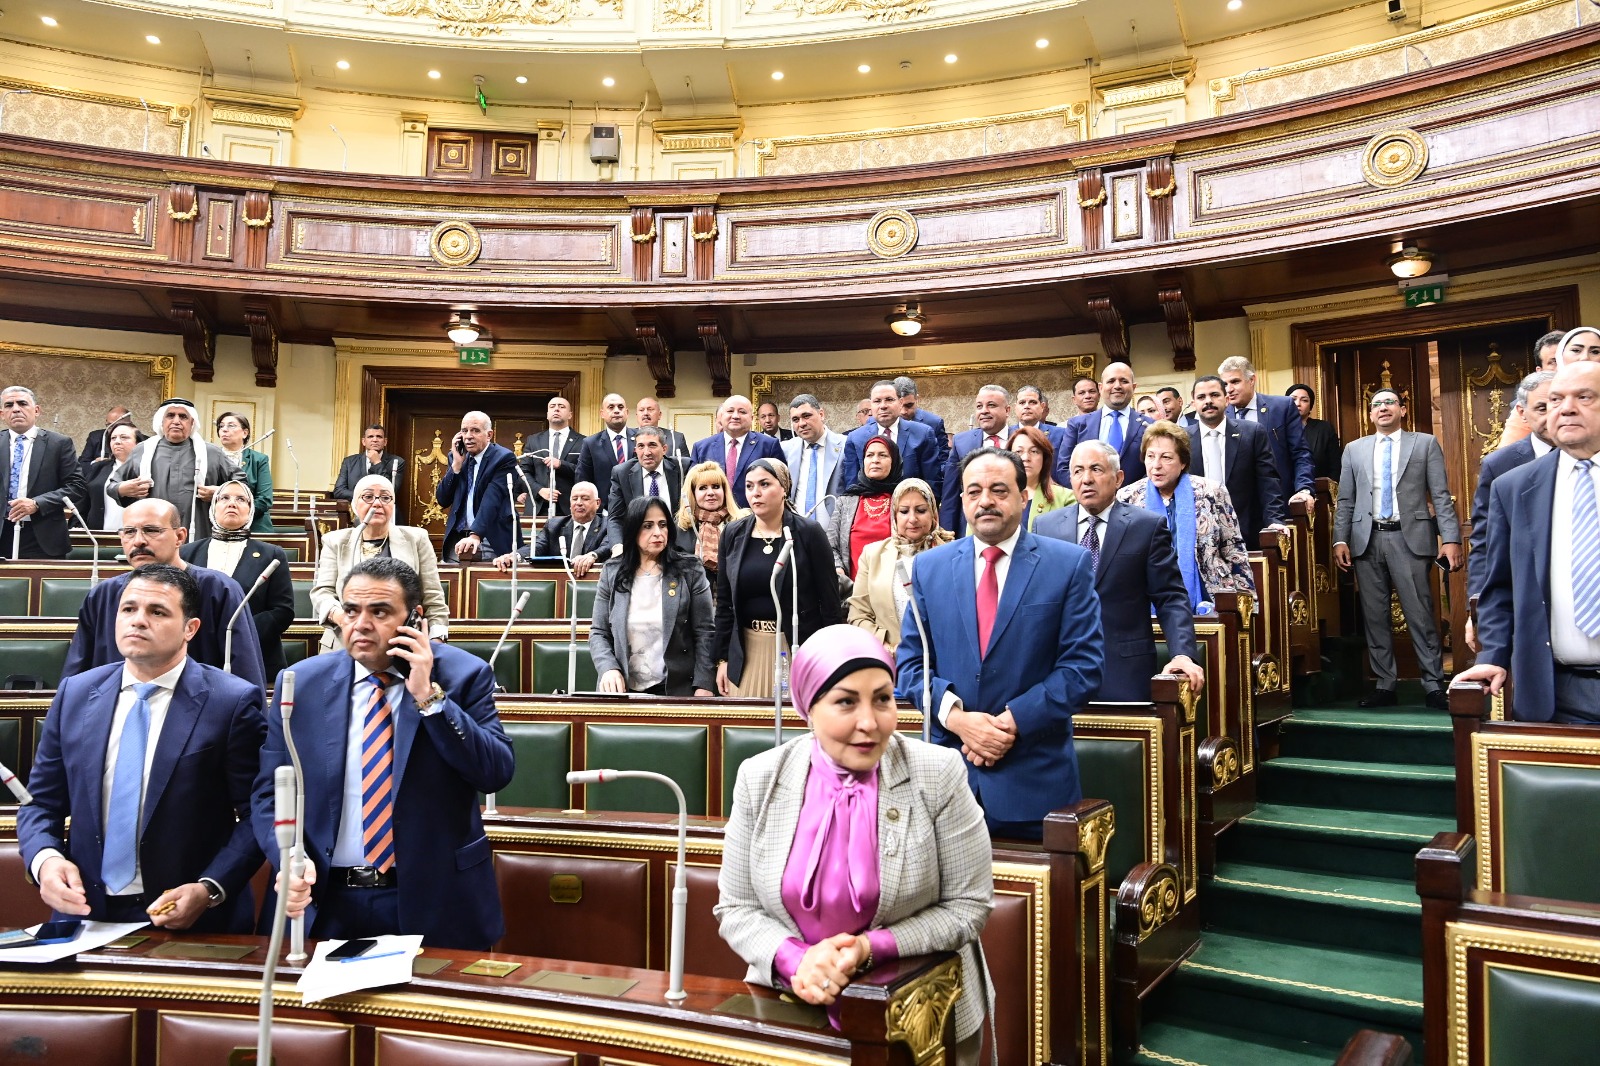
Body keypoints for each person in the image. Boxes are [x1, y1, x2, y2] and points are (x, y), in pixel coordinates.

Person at [716, 625, 993, 1061]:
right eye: (846, 701)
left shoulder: (938, 774)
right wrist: (796, 961)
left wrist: (868, 948)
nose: (869, 722)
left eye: (882, 699)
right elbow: (736, 908)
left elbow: (968, 907)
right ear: (808, 707)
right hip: (790, 1008)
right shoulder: (760, 778)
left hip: (922, 1015)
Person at [254, 557, 514, 950]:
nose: (360, 624)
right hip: (322, 899)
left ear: (415, 618)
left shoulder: (463, 675)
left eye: (379, 612)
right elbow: (269, 793)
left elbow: (494, 772)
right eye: (351, 610)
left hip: (432, 900)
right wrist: (287, 858)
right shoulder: (302, 682)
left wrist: (429, 697)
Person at [19, 564, 266, 932]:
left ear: (190, 628)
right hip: (86, 914)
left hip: (193, 919)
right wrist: (45, 860)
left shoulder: (231, 702)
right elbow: (41, 803)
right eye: (129, 608)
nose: (137, 620)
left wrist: (210, 887)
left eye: (158, 611)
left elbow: (258, 813)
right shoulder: (75, 694)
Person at [899, 447, 1102, 841]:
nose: (986, 501)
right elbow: (910, 665)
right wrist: (959, 721)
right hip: (946, 784)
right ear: (962, 500)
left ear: (1024, 497)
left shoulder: (1068, 564)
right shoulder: (928, 567)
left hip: (1034, 786)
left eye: (998, 490)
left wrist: (1006, 726)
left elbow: (1083, 668)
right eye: (974, 491)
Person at [1457, 361, 1600, 722]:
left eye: (1584, 397)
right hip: (1558, 693)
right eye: (1556, 399)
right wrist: (1493, 655)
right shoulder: (1513, 487)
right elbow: (1500, 585)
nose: (1566, 408)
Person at [1036, 442, 1204, 701]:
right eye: (1078, 471)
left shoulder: (1146, 527)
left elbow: (1170, 597)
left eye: (1096, 469)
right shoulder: (1045, 528)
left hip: (1125, 673)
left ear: (1118, 478)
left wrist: (1182, 654)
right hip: (1058, 674)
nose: (1086, 479)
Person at [1333, 389, 1461, 710]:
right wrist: (1340, 539)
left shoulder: (1425, 444)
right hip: (1367, 539)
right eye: (1376, 404)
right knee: (1374, 616)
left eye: (1389, 402)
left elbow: (1440, 494)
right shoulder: (1354, 449)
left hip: (1409, 537)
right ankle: (1384, 685)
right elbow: (1345, 499)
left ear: (1403, 410)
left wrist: (1451, 538)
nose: (1383, 408)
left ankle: (1433, 685)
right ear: (1370, 414)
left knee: (1420, 613)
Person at [63, 498, 266, 691]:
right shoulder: (103, 594)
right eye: (129, 532)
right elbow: (77, 678)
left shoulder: (220, 589)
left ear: (180, 537)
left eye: (151, 530)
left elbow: (246, 672)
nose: (138, 541)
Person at [714, 458, 841, 698]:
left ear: (784, 488)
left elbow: (830, 603)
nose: (755, 493)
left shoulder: (809, 533)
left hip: (796, 648)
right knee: (746, 720)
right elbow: (724, 604)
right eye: (749, 486)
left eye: (764, 484)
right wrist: (722, 659)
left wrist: (829, 658)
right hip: (746, 650)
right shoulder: (732, 533)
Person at [1117, 420, 1255, 610]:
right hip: (1144, 602)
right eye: (1150, 456)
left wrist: (1247, 605)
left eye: (1166, 457)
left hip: (1210, 599)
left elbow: (1233, 548)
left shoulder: (1212, 492)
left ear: (1183, 462)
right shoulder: (1127, 497)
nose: (1156, 465)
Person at [589, 496, 716, 697]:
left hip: (677, 689)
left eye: (662, 525)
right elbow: (599, 632)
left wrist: (704, 684)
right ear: (633, 530)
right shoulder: (612, 571)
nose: (657, 532)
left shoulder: (690, 570)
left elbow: (705, 632)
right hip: (622, 689)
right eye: (647, 526)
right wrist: (608, 668)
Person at [1468, 372, 1554, 651]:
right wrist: (1477, 606)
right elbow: (1485, 542)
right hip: (1523, 601)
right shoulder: (1500, 465)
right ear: (1522, 412)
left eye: (1557, 403)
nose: (1553, 414)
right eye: (1541, 407)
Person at [314, 474, 449, 651]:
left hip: (402, 642)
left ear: (393, 505)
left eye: (385, 498)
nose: (377, 503)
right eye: (368, 497)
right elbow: (322, 593)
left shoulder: (417, 539)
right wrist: (343, 618)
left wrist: (437, 642)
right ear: (355, 504)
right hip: (345, 642)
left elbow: (433, 597)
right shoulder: (335, 541)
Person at [180, 479, 294, 678]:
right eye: (224, 498)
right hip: (196, 654)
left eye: (241, 499)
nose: (232, 503)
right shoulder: (186, 553)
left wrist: (237, 633)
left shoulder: (272, 555)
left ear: (250, 510)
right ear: (213, 507)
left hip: (254, 655)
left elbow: (282, 611)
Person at [106, 398, 240, 540]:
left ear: (192, 423)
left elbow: (241, 484)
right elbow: (113, 485)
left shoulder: (211, 453)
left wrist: (221, 493)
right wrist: (123, 489)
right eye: (170, 416)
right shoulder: (142, 450)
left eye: (183, 417)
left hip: (199, 532)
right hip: (153, 534)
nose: (176, 421)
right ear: (162, 421)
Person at [847, 478, 952, 650]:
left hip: (940, 657)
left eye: (921, 510)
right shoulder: (873, 554)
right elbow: (858, 615)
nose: (912, 519)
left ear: (933, 513)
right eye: (904, 511)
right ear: (894, 515)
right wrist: (888, 648)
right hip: (888, 658)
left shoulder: (951, 553)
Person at [1187, 375, 1287, 542]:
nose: (1208, 401)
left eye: (1214, 395)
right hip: (1198, 536)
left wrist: (1274, 520)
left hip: (1246, 532)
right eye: (1201, 397)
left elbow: (1268, 481)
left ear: (1227, 400)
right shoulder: (1181, 439)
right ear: (1194, 403)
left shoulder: (1252, 433)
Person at [2, 384, 84, 559]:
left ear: (37, 410)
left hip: (42, 535)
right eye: (9, 405)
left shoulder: (58, 443)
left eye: (22, 403)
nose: (16, 409)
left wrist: (37, 503)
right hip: (2, 532)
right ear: (2, 414)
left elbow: (76, 486)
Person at [1218, 356, 1314, 501]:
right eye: (1224, 384)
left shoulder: (1282, 407)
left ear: (1252, 380)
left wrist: (1304, 489)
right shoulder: (1220, 415)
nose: (1229, 389)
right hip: (1236, 503)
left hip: (1277, 498)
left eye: (1235, 382)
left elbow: (1300, 453)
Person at [436, 410, 519, 562]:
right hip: (458, 535)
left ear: (489, 435)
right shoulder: (456, 456)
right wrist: (456, 466)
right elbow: (443, 499)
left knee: (485, 576)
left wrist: (475, 535)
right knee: (455, 576)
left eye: (475, 430)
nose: (468, 436)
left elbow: (492, 498)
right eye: (464, 431)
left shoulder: (503, 458)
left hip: (491, 535)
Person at [838, 380, 941, 499]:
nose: (883, 406)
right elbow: (852, 486)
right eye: (877, 401)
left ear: (900, 403)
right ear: (871, 406)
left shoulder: (923, 434)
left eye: (889, 399)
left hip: (910, 506)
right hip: (869, 507)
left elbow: (932, 483)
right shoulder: (855, 438)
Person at [826, 435, 902, 592]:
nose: (875, 460)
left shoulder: (904, 498)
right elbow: (830, 545)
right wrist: (839, 571)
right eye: (870, 455)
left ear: (894, 461)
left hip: (893, 589)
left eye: (883, 455)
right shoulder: (846, 501)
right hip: (852, 593)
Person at [495, 480, 613, 577]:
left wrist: (592, 555)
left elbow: (608, 546)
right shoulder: (554, 525)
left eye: (585, 498)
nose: (579, 503)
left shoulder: (608, 525)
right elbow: (537, 547)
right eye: (574, 498)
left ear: (597, 503)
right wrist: (515, 556)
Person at [1063, 362, 1154, 482]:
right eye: (1111, 381)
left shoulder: (1150, 426)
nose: (1117, 386)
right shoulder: (1077, 424)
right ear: (1101, 388)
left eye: (1124, 381)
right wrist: (1086, 488)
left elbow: (1154, 466)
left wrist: (1134, 491)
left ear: (1134, 387)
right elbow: (1064, 468)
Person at [940, 385, 1012, 535]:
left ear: (1007, 410)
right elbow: (950, 495)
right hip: (971, 527)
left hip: (1013, 522)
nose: (984, 411)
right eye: (979, 406)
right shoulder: (961, 442)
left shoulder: (1022, 439)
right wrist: (946, 535)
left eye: (991, 405)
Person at [690, 394, 783, 509]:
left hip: (756, 514)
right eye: (730, 411)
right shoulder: (701, 447)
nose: (735, 416)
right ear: (721, 416)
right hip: (712, 515)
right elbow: (691, 487)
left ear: (752, 418)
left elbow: (782, 484)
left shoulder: (769, 445)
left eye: (742, 412)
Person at [675, 461, 746, 591]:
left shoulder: (742, 524)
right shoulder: (679, 528)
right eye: (703, 488)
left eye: (716, 486)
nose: (710, 492)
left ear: (724, 490)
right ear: (692, 493)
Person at [782, 393, 847, 525]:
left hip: (836, 529)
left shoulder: (845, 445)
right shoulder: (785, 449)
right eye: (795, 419)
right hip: (796, 529)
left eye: (806, 416)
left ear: (821, 414)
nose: (801, 424)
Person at [606, 424, 682, 535]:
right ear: (636, 450)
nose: (646, 452)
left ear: (664, 449)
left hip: (676, 538)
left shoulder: (682, 467)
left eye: (652, 445)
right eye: (641, 446)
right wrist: (618, 544)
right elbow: (615, 518)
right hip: (640, 539)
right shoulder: (621, 473)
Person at [520, 397, 584, 519]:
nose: (556, 409)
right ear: (547, 414)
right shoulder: (533, 440)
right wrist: (539, 490)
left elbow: (585, 473)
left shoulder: (583, 441)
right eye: (552, 406)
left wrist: (561, 465)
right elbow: (523, 472)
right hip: (538, 506)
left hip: (570, 508)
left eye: (561, 406)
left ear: (570, 415)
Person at [213, 411, 275, 533]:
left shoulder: (259, 459)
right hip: (215, 525)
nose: (224, 430)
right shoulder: (209, 457)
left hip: (254, 525)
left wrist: (239, 516)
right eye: (221, 426)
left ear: (245, 433)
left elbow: (265, 499)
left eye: (231, 425)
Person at [1007, 426, 1074, 531]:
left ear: (1044, 458)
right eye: (1018, 452)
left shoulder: (1067, 498)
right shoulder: (995, 497)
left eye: (1034, 451)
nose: (1025, 458)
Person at [575, 392, 637, 496]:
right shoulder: (590, 443)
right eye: (611, 407)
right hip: (605, 504)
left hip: (637, 502)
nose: (616, 410)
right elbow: (583, 480)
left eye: (620, 407)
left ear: (627, 412)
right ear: (602, 414)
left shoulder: (640, 439)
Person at [331, 424, 405, 511]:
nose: (375, 440)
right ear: (363, 441)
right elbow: (338, 491)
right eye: (370, 437)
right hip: (355, 512)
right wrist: (365, 497)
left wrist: (377, 463)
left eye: (379, 437)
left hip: (383, 511)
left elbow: (391, 491)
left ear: (385, 442)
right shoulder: (349, 462)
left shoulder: (397, 462)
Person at [1012, 385, 1071, 487]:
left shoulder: (1061, 434)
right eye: (1022, 403)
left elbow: (1066, 468)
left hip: (1052, 491)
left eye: (1032, 402)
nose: (1027, 406)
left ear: (1042, 406)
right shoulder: (1007, 435)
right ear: (1015, 407)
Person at [86, 422, 139, 531]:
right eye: (113, 438)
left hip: (136, 535)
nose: (117, 441)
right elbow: (83, 503)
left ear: (138, 443)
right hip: (98, 535)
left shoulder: (147, 469)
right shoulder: (98, 468)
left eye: (124, 437)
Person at [1286, 384, 1342, 483]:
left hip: (1316, 486)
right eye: (1293, 399)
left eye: (1304, 400)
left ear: (1311, 406)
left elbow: (1336, 465)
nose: (1298, 404)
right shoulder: (1276, 428)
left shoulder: (1324, 428)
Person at [896, 375, 949, 470]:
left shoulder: (934, 423)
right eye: (899, 405)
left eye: (909, 405)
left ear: (917, 399)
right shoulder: (883, 422)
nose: (903, 411)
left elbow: (943, 462)